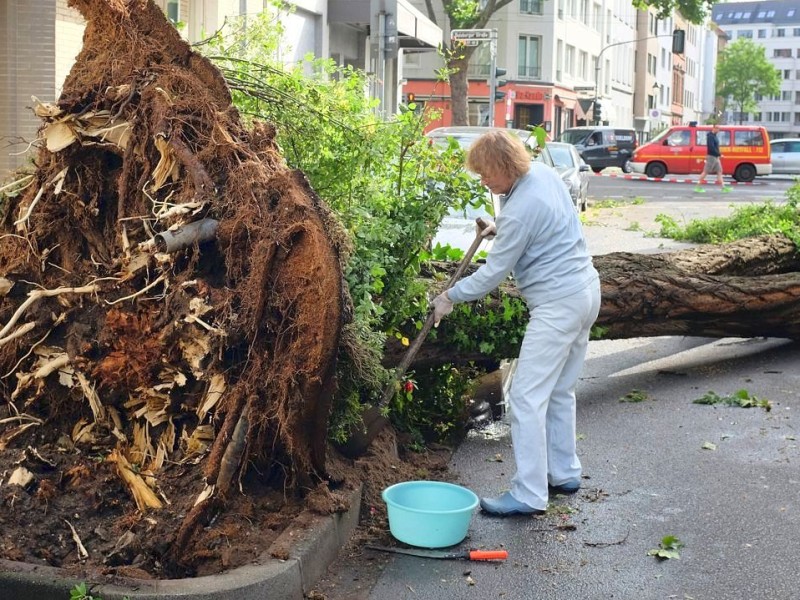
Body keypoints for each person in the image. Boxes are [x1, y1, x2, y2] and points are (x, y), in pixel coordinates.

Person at [431, 131, 601, 516]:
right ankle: (564, 472)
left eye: (486, 173)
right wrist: (501, 227)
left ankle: (528, 494)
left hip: (558, 304)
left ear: (506, 166)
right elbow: (535, 226)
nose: (483, 181)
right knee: (559, 389)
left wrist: (449, 297)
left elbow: (492, 275)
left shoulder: (522, 208)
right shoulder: (542, 174)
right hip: (586, 292)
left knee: (524, 398)